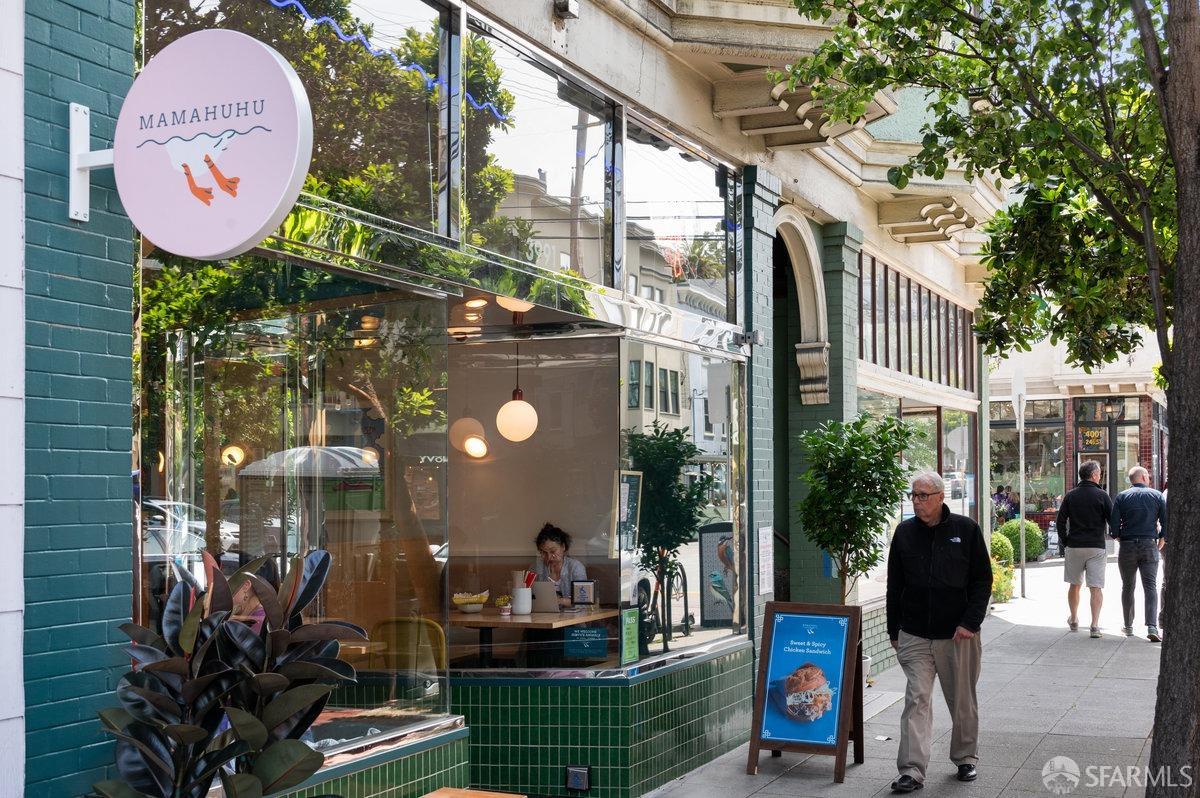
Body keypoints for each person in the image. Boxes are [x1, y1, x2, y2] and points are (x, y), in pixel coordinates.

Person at [886, 471, 993, 793]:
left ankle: (965, 758)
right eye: (913, 496)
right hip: (915, 633)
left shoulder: (966, 530)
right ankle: (912, 770)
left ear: (940, 496)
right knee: (917, 698)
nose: (917, 502)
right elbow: (895, 585)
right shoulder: (904, 533)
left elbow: (982, 581)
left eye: (923, 496)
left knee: (961, 700)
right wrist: (894, 630)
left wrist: (970, 623)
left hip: (957, 634)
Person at [1055, 461, 1113, 638]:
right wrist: (1117, 535)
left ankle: (1073, 619)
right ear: (1094, 475)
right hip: (1096, 546)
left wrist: (1065, 541)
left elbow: (1060, 521)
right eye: (1099, 473)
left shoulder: (1071, 496)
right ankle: (1094, 625)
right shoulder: (1102, 496)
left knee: (1075, 584)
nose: (1100, 475)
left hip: (1075, 545)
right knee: (1095, 587)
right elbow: (1112, 520)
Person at [1109, 466, 1167, 642]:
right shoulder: (1156, 495)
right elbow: (1165, 522)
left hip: (1127, 545)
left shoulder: (1121, 497)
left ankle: (1128, 626)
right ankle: (1151, 626)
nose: (1149, 478)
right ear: (1142, 477)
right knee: (1150, 587)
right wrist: (1161, 539)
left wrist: (1120, 537)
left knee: (1128, 586)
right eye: (1148, 476)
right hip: (1149, 544)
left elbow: (1113, 527)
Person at [531, 523, 587, 607]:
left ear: (563, 547)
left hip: (573, 618)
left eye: (553, 551)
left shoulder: (575, 567)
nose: (549, 557)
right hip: (544, 616)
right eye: (544, 553)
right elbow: (529, 596)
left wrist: (559, 601)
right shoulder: (536, 567)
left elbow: (583, 600)